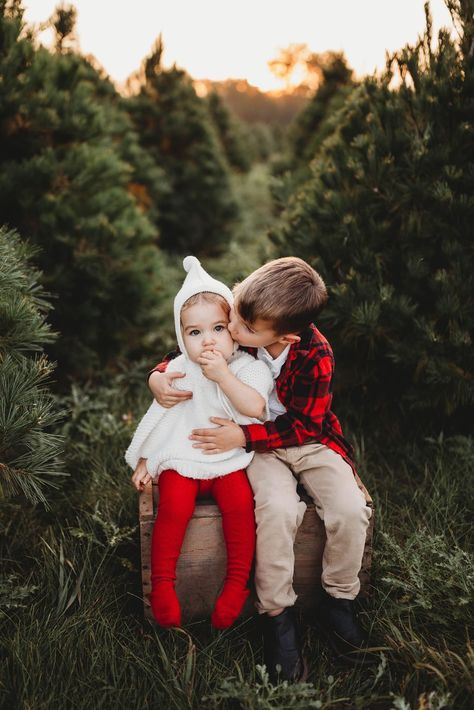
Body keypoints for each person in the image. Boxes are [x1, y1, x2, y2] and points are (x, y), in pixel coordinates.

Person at [150, 256, 373, 681]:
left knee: (348, 508)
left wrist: (243, 437)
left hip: (307, 440)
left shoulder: (314, 353)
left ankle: (339, 600)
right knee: (276, 509)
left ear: (286, 334)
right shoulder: (245, 317)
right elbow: (187, 349)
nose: (232, 331)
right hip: (259, 448)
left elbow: (304, 425)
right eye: (234, 316)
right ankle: (276, 613)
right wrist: (157, 376)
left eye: (245, 329)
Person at [126, 256, 273, 630]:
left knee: (241, 506)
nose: (207, 340)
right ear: (181, 339)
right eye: (194, 333)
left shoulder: (247, 367)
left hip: (228, 462)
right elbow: (159, 417)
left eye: (218, 328)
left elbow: (255, 407)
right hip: (184, 459)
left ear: (233, 330)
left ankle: (236, 584)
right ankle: (161, 586)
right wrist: (146, 459)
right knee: (172, 507)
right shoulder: (179, 368)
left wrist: (223, 376)